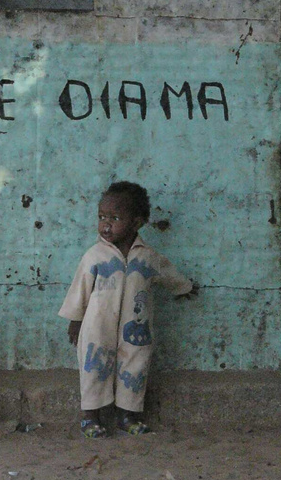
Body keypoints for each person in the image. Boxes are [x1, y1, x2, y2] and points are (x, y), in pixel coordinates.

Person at [59, 181, 196, 439]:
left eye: (114, 218)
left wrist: (184, 287)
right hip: (97, 326)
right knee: (94, 366)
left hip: (136, 328)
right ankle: (90, 417)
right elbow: (79, 289)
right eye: (101, 217)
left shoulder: (147, 256)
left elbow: (167, 273)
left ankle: (127, 415)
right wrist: (75, 321)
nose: (105, 224)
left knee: (135, 366)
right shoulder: (94, 256)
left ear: (137, 223)